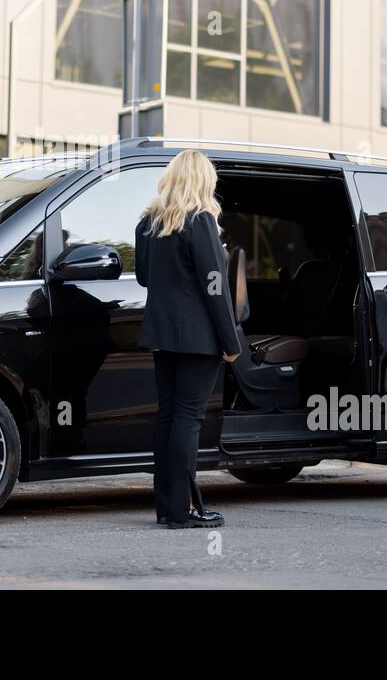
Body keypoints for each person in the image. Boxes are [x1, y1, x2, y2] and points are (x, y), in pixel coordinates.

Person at [135, 149, 241, 529]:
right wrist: (231, 342)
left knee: (167, 417)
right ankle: (183, 511)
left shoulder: (147, 224)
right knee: (188, 420)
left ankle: (168, 509)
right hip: (198, 338)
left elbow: (144, 278)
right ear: (203, 180)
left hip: (161, 334)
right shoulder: (200, 221)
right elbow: (215, 287)